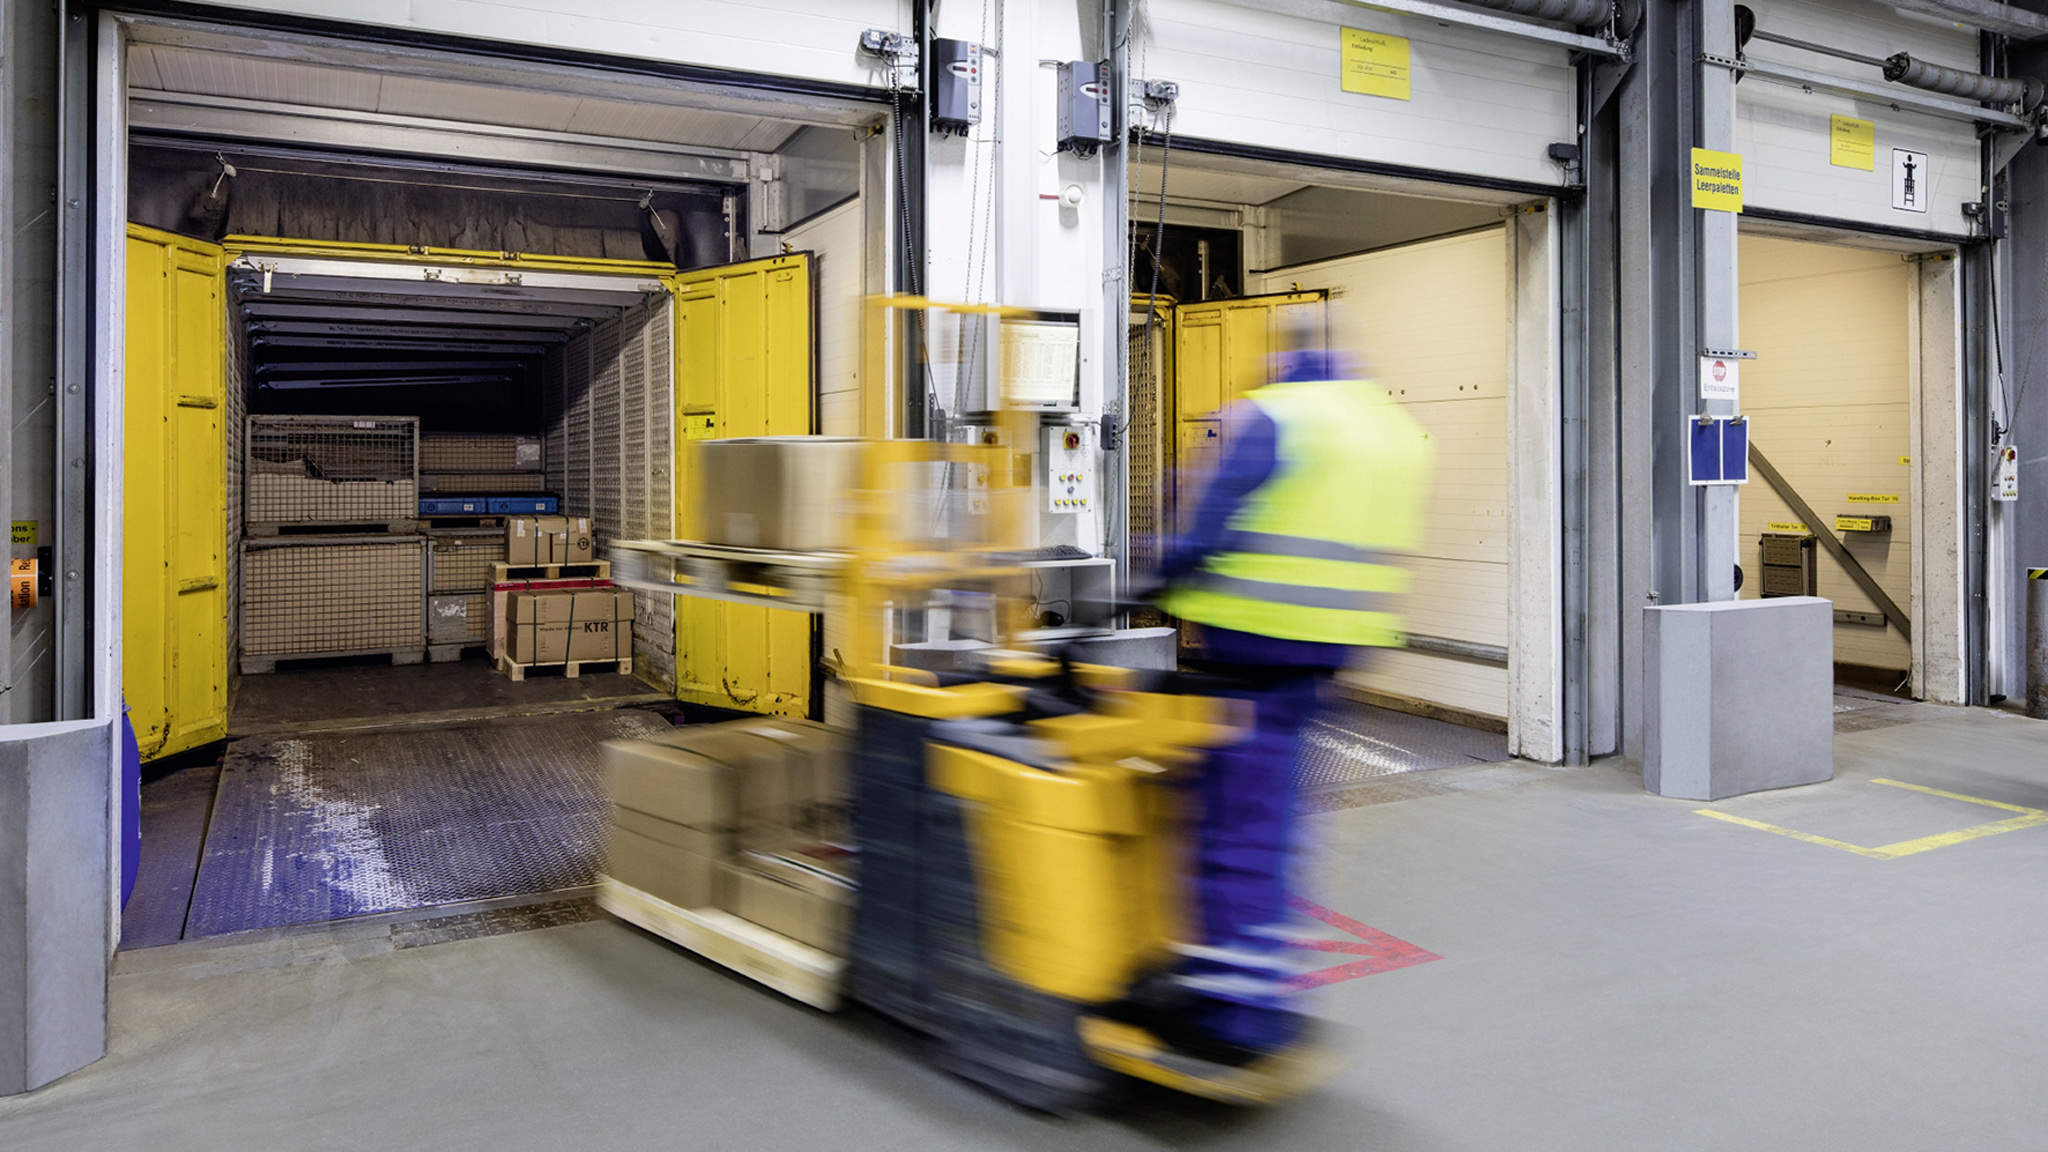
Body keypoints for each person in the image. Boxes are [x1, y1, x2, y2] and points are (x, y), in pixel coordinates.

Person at [1134, 341, 1433, 1062]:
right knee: (1272, 831)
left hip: (1248, 658)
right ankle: (1239, 990)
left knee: (1230, 836)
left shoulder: (1276, 418)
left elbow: (1205, 532)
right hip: (1325, 663)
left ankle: (1234, 1019)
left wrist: (1144, 584)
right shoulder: (1388, 431)